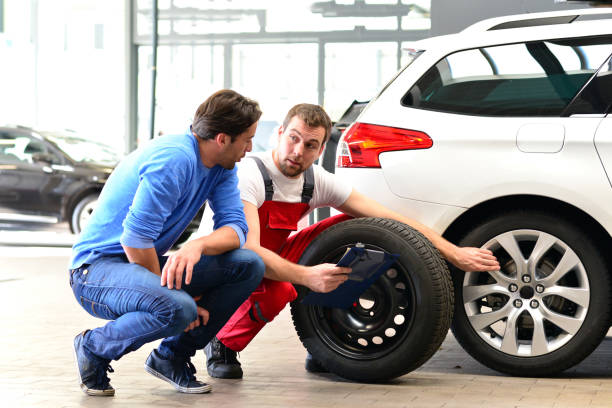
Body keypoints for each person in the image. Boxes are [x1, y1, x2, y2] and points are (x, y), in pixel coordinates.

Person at [201, 103, 501, 379]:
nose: (298, 151)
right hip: (226, 263)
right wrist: (306, 276)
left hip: (274, 253)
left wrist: (453, 252)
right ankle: (222, 342)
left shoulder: (315, 180)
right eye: (293, 138)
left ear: (320, 151)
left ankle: (325, 342)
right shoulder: (249, 173)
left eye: (310, 145)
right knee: (279, 291)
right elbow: (250, 250)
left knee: (363, 228)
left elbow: (389, 219)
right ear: (279, 134)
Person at [69, 89, 265, 396]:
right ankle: (93, 347)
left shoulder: (221, 168)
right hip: (95, 271)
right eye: (247, 139)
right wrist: (172, 294)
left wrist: (197, 245)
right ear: (223, 139)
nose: (250, 147)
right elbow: (134, 239)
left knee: (248, 265)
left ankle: (171, 356)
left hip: (138, 260)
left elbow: (237, 229)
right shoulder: (176, 159)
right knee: (178, 308)